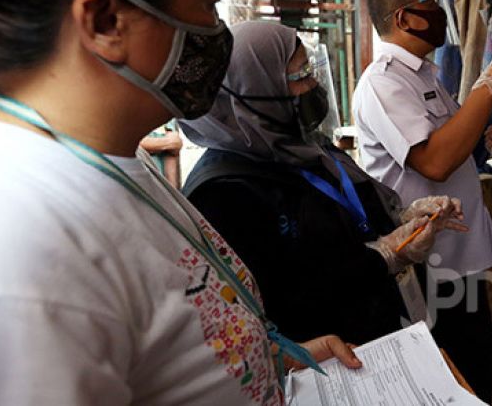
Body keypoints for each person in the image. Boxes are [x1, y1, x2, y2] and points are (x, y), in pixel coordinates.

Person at [0, 0, 358, 405]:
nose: (219, 34)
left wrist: (270, 363)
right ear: (106, 20)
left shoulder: (101, 159)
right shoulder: (4, 247)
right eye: (208, 3)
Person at [179, 20, 467, 345]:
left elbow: (348, 217)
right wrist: (385, 255)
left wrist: (403, 219)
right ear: (254, 88)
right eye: (300, 76)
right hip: (323, 361)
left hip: (375, 333)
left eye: (311, 70)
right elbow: (282, 297)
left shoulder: (302, 146)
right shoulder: (222, 193)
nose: (314, 83)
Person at [352, 0, 492, 402]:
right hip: (424, 267)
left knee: (474, 375)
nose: (438, 8)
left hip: (458, 260)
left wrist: (482, 145)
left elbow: (449, 148)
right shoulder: (383, 82)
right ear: (404, 18)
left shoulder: (425, 76)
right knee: (447, 384)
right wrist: (488, 86)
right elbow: (433, 161)